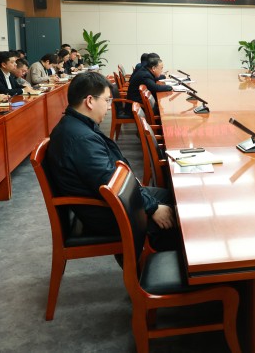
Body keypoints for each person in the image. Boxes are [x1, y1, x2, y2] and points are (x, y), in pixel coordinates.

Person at [47, 71, 177, 250]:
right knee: (178, 213)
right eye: (107, 100)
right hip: (107, 211)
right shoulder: (81, 139)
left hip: (109, 199)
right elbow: (110, 182)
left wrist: (139, 188)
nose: (109, 107)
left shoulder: (75, 125)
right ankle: (162, 260)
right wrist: (152, 207)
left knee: (173, 196)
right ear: (90, 101)